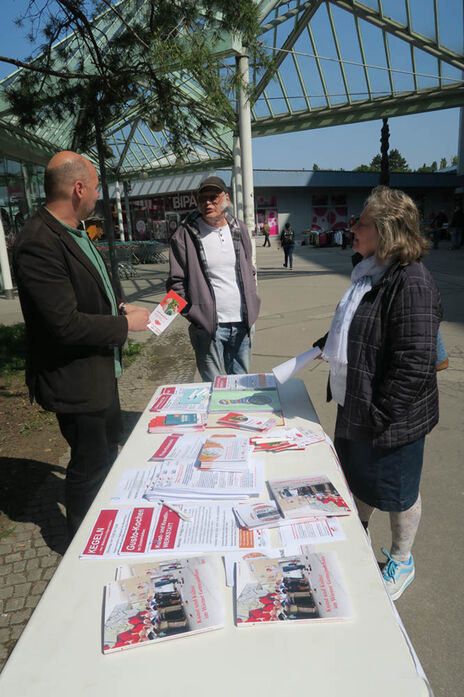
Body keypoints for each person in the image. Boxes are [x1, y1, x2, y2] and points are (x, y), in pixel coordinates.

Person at [13, 151, 150, 539]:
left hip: (99, 373)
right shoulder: (37, 241)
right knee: (89, 467)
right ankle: (80, 545)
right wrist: (124, 325)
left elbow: (85, 292)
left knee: (107, 452)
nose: (97, 196)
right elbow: (64, 324)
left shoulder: (77, 229)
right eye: (94, 188)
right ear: (77, 189)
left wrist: (117, 306)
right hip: (76, 382)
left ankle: (102, 524)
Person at [315, 186, 441, 601]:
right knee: (356, 482)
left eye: (361, 223)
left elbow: (414, 363)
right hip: (359, 406)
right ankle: (358, 542)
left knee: (398, 492)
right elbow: (355, 327)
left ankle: (402, 560)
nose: (352, 228)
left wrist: (379, 414)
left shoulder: (412, 282)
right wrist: (323, 345)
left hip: (390, 418)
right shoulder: (370, 270)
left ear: (385, 231)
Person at [167, 176, 260, 381]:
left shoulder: (239, 228)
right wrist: (193, 314)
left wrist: (252, 302)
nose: (208, 202)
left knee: (241, 384)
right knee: (212, 387)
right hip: (208, 327)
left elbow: (249, 268)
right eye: (203, 199)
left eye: (213, 197)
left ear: (225, 198)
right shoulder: (184, 234)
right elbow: (176, 281)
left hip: (242, 322)